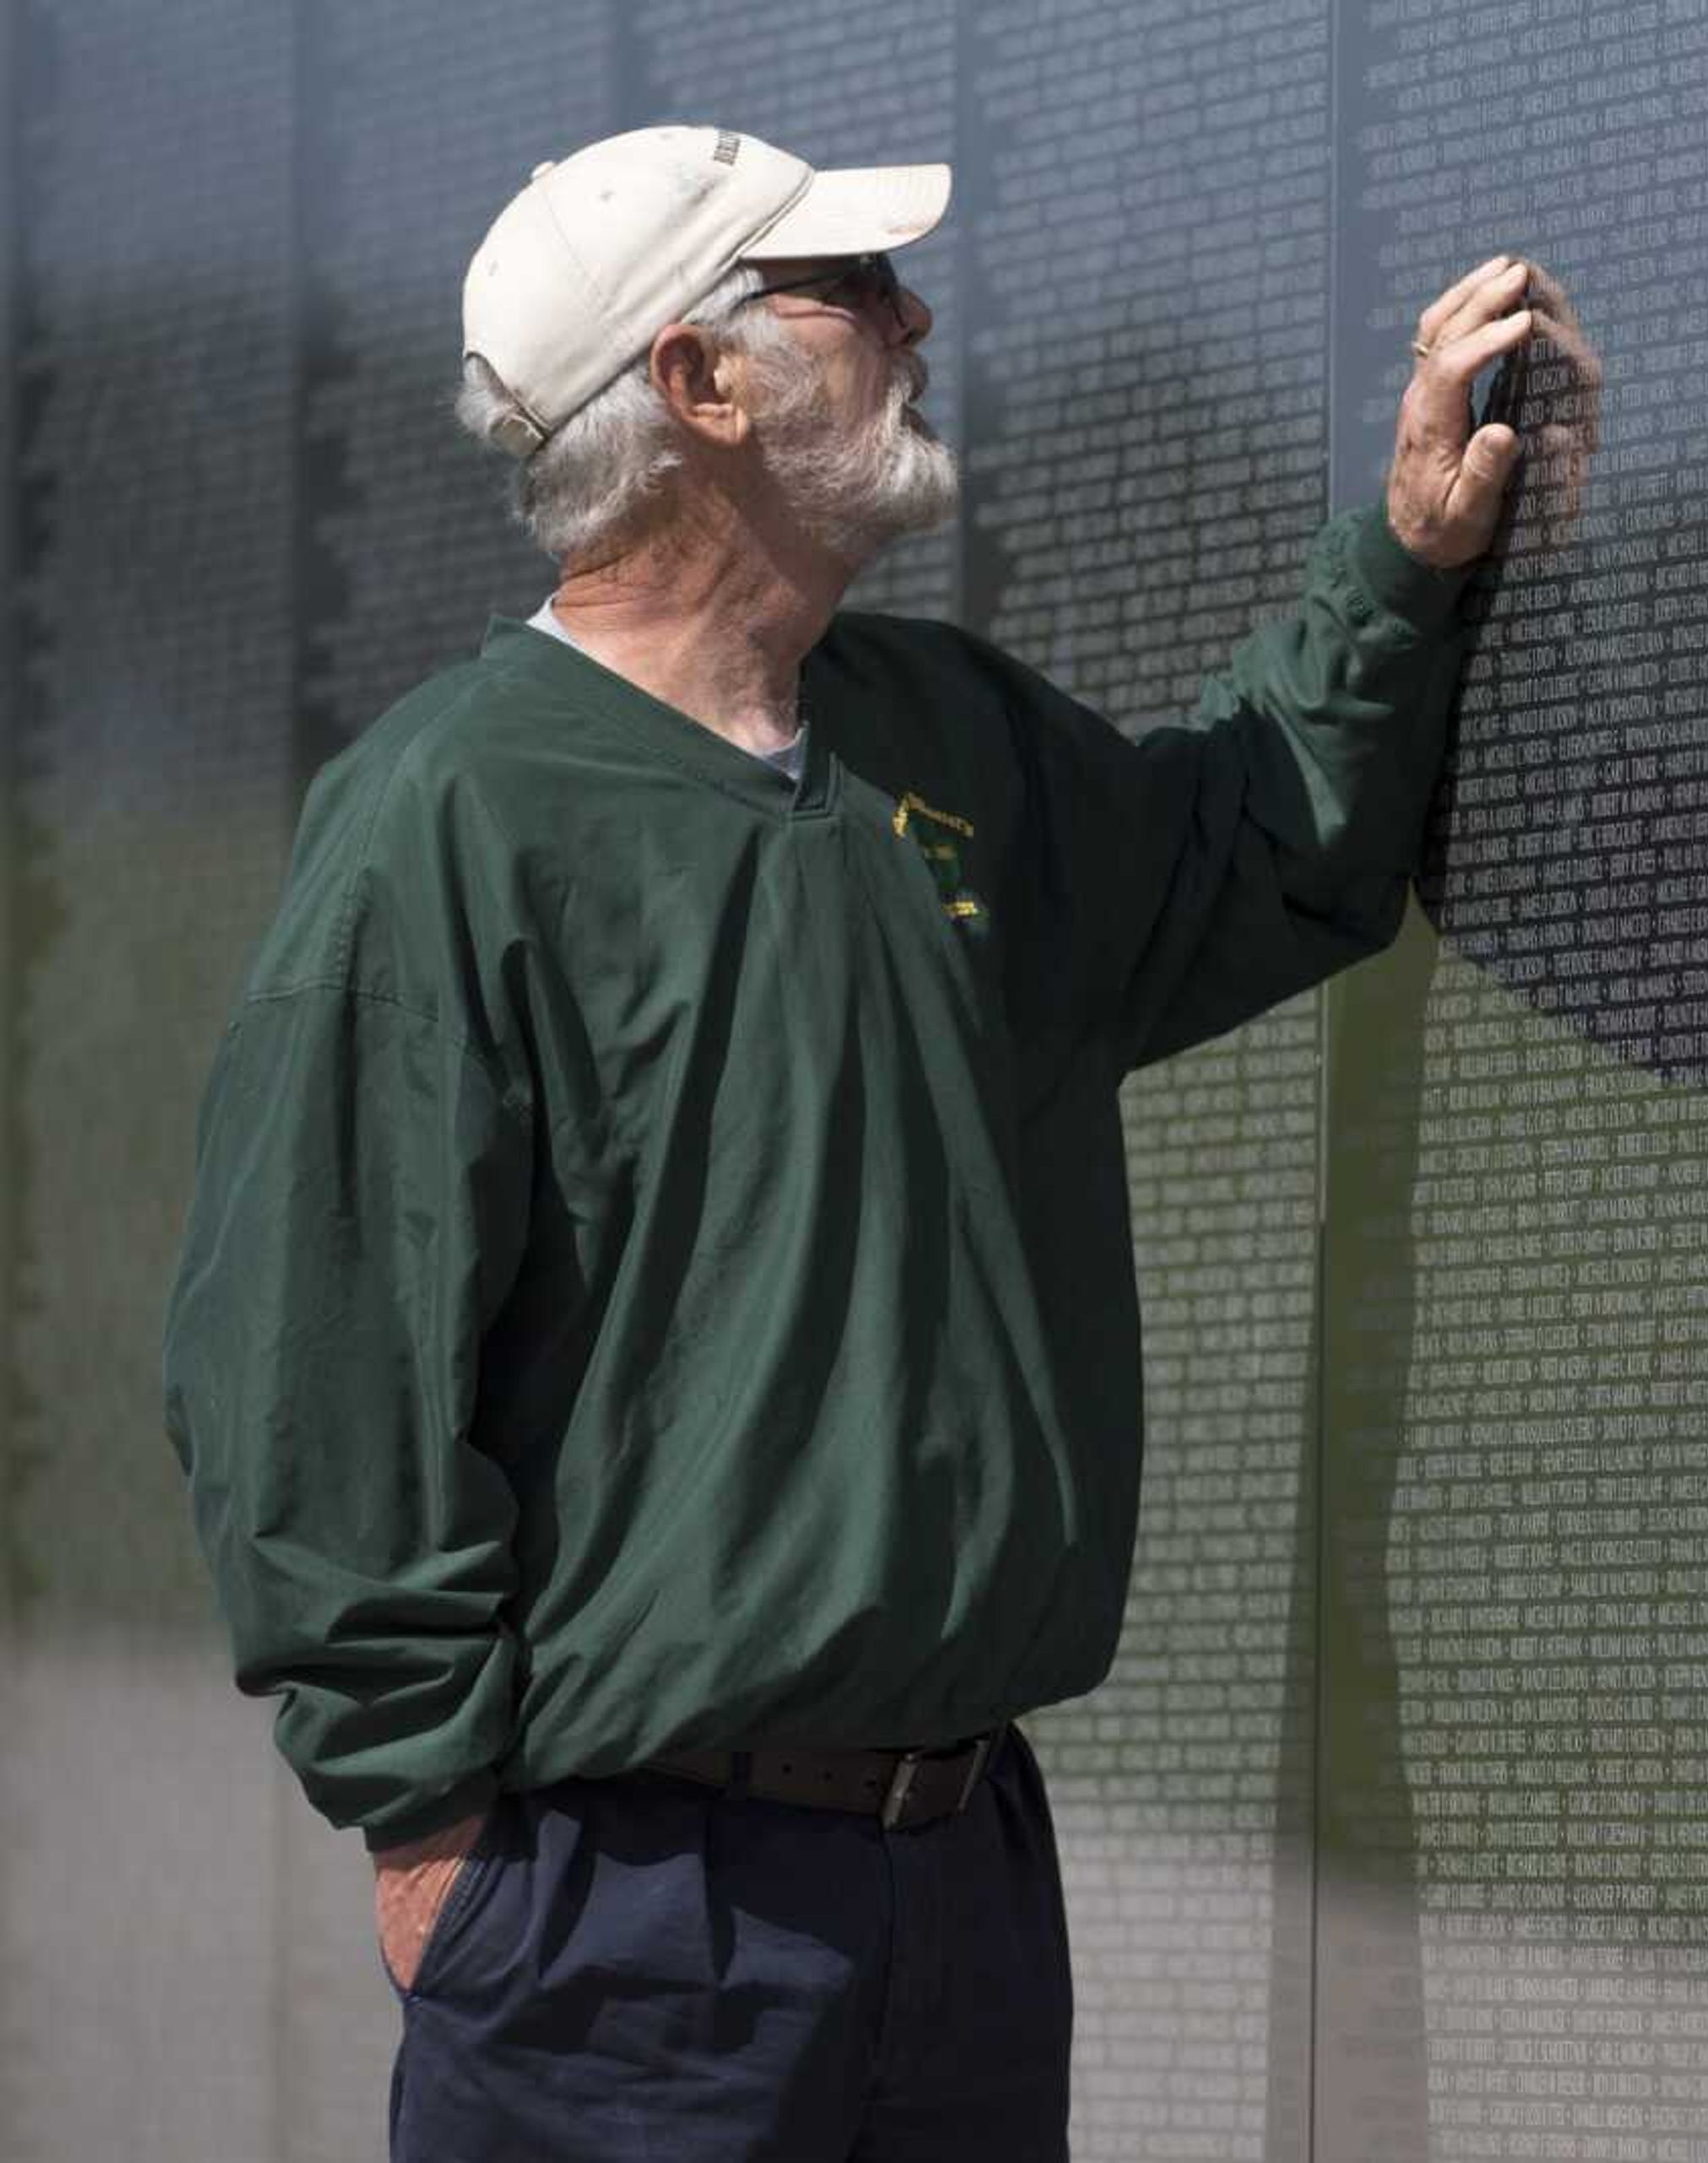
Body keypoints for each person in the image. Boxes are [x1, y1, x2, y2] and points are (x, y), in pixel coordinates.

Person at [160, 122, 1573, 2160]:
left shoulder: (943, 738)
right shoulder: (449, 822)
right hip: (623, 1930)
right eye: (848, 289)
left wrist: (1408, 561)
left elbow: (1251, 853)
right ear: (697, 381)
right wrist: (441, 1840)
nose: (917, 318)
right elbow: (308, 1378)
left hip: (964, 1880)